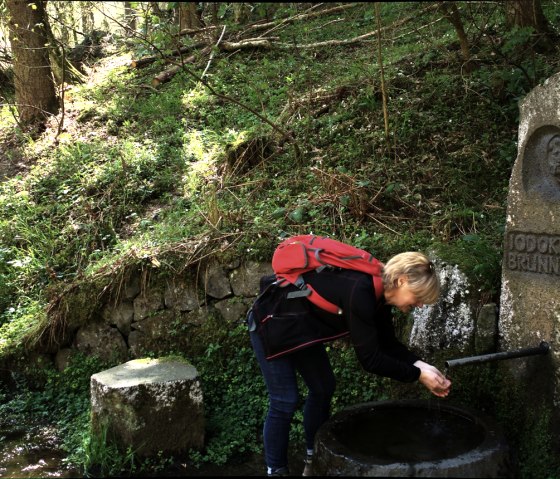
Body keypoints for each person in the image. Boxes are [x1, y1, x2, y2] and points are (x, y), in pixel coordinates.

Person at [247, 250, 451, 476]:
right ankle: (275, 470)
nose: (420, 305)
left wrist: (422, 365)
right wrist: (417, 375)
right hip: (271, 323)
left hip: (302, 329)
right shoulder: (360, 290)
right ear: (401, 281)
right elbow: (371, 360)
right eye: (418, 296)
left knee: (323, 387)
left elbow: (388, 344)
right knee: (285, 399)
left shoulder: (379, 295)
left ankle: (313, 458)